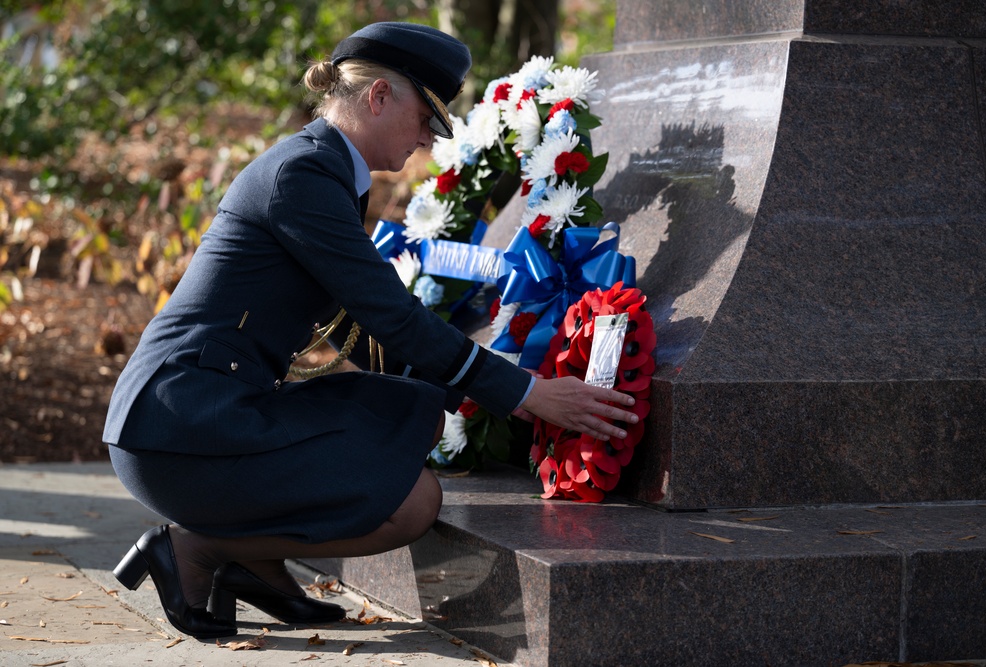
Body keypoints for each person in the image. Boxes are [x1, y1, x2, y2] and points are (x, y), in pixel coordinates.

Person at [105, 22, 638, 639]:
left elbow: (355, 330)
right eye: (424, 120)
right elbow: (388, 314)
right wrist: (525, 393)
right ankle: (199, 548)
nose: (425, 140)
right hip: (180, 427)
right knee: (413, 503)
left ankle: (252, 561)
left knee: (408, 415)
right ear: (379, 96)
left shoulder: (320, 169)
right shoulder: (302, 177)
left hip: (212, 406)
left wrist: (478, 394)